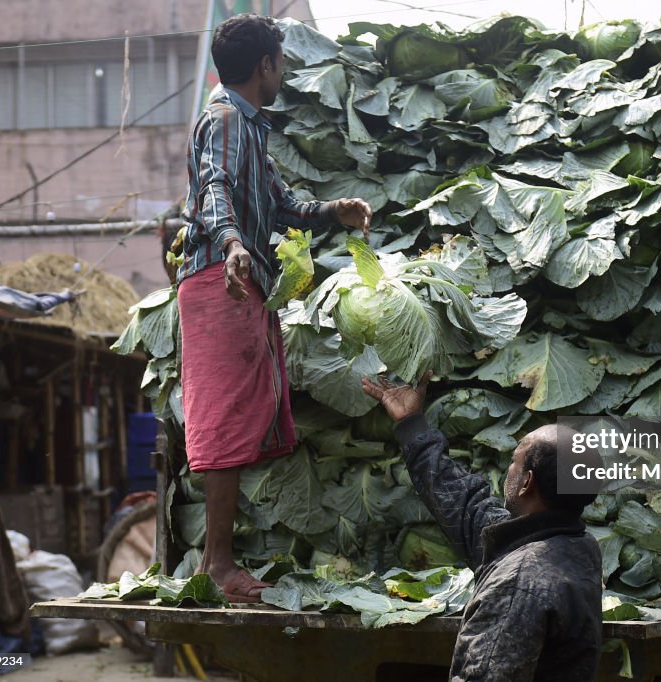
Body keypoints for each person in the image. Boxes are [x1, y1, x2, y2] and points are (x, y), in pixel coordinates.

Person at [177, 13, 373, 603]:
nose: (283, 72)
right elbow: (213, 187)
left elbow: (281, 203)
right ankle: (216, 565)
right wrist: (233, 243)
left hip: (235, 279)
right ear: (266, 65)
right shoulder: (227, 117)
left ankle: (219, 558)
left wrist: (333, 211)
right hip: (221, 278)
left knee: (239, 412)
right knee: (224, 413)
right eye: (280, 62)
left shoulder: (247, 126)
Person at [361, 373, 604, 681]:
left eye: (515, 461)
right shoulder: (575, 545)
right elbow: (466, 507)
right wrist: (412, 425)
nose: (509, 469)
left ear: (527, 482)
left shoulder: (518, 582)